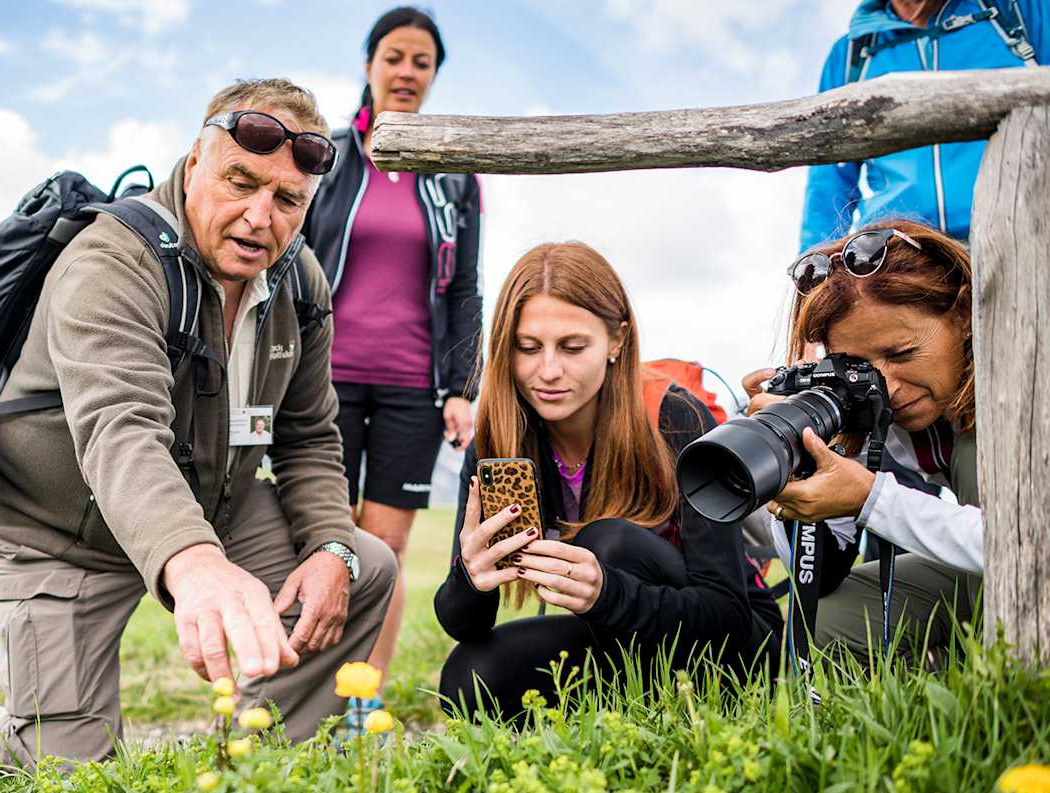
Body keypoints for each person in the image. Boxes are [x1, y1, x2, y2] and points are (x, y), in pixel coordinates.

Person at [0, 79, 396, 768]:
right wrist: (196, 563)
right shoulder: (111, 260)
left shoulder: (301, 282)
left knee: (361, 568)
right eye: (240, 182)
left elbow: (308, 437)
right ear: (193, 167)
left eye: (287, 200)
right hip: (61, 530)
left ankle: (259, 760)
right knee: (71, 767)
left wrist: (331, 546)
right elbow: (120, 429)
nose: (259, 217)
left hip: (212, 502)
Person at [433, 242, 782, 720]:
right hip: (617, 639)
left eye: (573, 348)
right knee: (468, 677)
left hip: (733, 646)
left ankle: (657, 712)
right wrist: (471, 578)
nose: (548, 371)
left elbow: (728, 616)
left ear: (617, 340)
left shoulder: (674, 418)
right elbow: (463, 625)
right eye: (527, 348)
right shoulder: (497, 442)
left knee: (609, 542)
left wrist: (607, 594)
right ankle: (626, 715)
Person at [302, 7, 483, 680]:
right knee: (325, 540)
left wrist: (462, 388)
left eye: (421, 62)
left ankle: (364, 697)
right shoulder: (325, 156)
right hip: (324, 382)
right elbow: (289, 261)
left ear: (434, 75)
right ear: (369, 64)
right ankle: (310, 689)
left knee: (384, 549)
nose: (407, 72)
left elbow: (466, 287)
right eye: (395, 57)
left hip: (413, 389)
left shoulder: (456, 174)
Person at [745, 219, 980, 666]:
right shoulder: (878, 400)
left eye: (901, 353)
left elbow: (1026, 546)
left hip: (1026, 563)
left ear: (963, 312)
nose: (887, 388)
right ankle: (934, 690)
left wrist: (872, 499)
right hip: (986, 562)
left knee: (972, 456)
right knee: (822, 621)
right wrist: (795, 455)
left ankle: (1002, 681)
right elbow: (821, 576)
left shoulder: (1022, 382)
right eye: (860, 368)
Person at [798, 0, 1045, 251]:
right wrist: (812, 264)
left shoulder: (1021, 11)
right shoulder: (850, 54)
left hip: (1020, 236)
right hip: (899, 253)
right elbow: (828, 183)